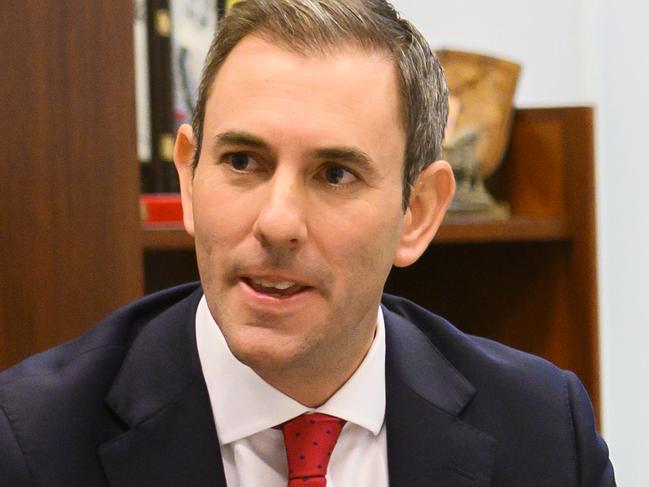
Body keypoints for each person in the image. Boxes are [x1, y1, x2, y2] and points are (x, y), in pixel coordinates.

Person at [0, 1, 615, 486]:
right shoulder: (31, 442)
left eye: (335, 174)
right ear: (188, 178)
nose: (276, 222)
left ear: (417, 213)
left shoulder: (542, 433)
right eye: (242, 161)